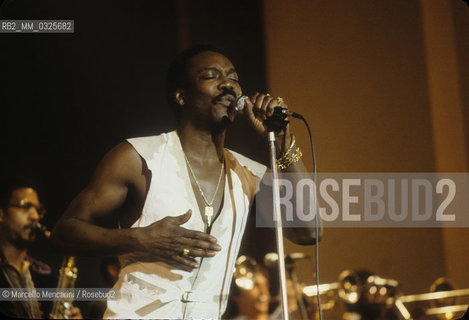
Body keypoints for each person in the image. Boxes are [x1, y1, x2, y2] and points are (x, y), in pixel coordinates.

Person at [51, 44, 321, 319]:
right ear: (182, 96)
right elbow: (64, 233)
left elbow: (309, 231)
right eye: (211, 76)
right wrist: (140, 239)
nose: (228, 84)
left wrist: (283, 139)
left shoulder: (248, 174)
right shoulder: (138, 158)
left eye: (234, 77)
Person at [0, 177, 81, 319]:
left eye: (38, 210)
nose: (35, 216)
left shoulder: (49, 276)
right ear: (1, 213)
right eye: (25, 206)